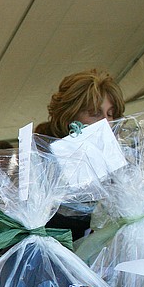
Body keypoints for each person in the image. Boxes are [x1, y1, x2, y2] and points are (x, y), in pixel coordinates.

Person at [41, 69, 126, 239]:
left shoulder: (123, 162)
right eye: (95, 113)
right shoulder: (47, 167)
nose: (106, 122)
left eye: (110, 114)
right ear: (70, 115)